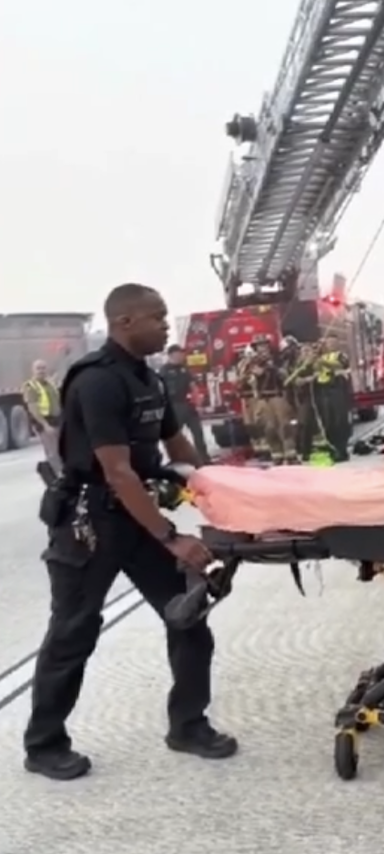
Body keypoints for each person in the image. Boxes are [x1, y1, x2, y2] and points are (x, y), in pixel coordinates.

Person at [23, 283, 238, 781]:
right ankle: (44, 744)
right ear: (124, 323)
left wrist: (220, 487)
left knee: (188, 619)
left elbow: (176, 443)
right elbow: (116, 471)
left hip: (135, 514)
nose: (166, 325)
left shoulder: (149, 379)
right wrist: (171, 537)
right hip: (90, 524)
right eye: (157, 317)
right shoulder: (97, 382)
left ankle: (188, 725)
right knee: (73, 633)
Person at [235, 335, 296, 464]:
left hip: (277, 395)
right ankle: (277, 455)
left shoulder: (278, 358)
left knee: (285, 425)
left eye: (264, 344)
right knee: (269, 428)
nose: (262, 347)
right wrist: (250, 375)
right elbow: (242, 380)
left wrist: (270, 368)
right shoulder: (251, 362)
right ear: (255, 348)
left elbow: (285, 375)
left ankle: (291, 454)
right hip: (262, 398)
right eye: (259, 345)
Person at [159, 345, 210, 464]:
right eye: (179, 354)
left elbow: (193, 386)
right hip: (174, 406)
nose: (182, 356)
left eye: (182, 354)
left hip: (188, 405)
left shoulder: (184, 369)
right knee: (175, 437)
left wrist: (198, 403)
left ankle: (204, 459)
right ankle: (177, 460)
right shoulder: (164, 371)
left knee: (198, 433)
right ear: (172, 355)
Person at [312, 337, 352, 462]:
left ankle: (342, 449)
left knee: (339, 421)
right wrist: (314, 356)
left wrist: (322, 362)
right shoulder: (321, 357)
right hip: (324, 391)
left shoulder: (341, 355)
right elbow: (315, 368)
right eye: (328, 343)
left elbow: (340, 365)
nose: (329, 345)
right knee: (327, 422)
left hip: (337, 390)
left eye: (332, 343)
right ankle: (333, 448)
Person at [23, 359, 63, 472]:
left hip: (57, 420)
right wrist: (45, 425)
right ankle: (58, 476)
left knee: (61, 450)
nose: (41, 371)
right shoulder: (31, 387)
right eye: (38, 368)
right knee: (52, 452)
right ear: (33, 370)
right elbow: (33, 408)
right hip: (45, 422)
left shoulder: (50, 384)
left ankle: (62, 473)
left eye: (43, 368)